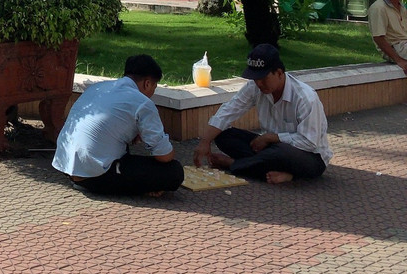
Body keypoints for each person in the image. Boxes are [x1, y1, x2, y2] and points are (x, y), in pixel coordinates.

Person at [194, 44, 331, 184]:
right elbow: (228, 111)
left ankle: (235, 164)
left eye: (263, 78)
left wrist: (272, 137)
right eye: (255, 78)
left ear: (279, 73)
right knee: (223, 135)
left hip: (309, 156)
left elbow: (309, 142)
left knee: (280, 152)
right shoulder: (255, 87)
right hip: (270, 149)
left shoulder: (305, 98)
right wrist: (205, 142)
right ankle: (277, 171)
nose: (259, 83)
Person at [52, 54, 184, 196]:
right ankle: (126, 187)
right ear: (147, 83)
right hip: (96, 175)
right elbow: (163, 155)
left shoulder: (97, 87)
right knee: (174, 171)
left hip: (66, 164)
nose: (152, 92)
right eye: (154, 87)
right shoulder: (143, 102)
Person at [367, 0, 407, 75]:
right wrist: (398, 60)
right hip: (396, 48)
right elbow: (378, 38)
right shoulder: (378, 8)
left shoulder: (401, 6)